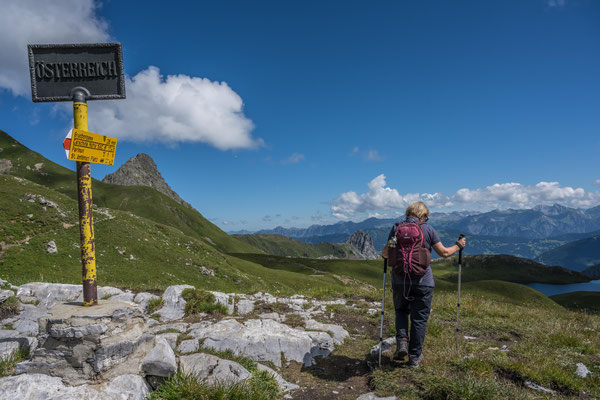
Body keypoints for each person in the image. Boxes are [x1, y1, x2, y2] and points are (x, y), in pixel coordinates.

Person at [384, 201, 466, 368]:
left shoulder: (396, 228)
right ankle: (414, 357)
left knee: (401, 311)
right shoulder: (428, 229)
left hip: (400, 281)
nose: (426, 219)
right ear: (422, 215)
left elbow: (385, 253)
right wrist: (459, 245)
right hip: (423, 282)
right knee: (419, 319)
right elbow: (444, 253)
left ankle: (401, 343)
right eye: (426, 216)